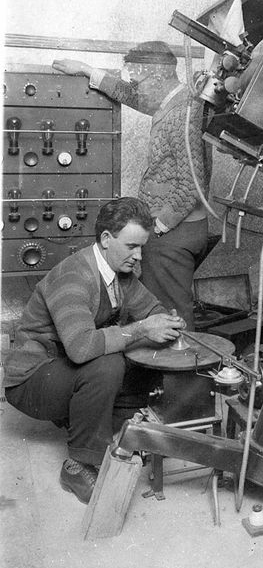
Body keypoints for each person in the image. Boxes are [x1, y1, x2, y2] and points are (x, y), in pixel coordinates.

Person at [4, 197, 186, 505]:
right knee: (108, 365)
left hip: (64, 370)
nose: (138, 255)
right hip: (32, 379)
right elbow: (81, 348)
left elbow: (149, 308)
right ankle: (78, 465)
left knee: (140, 361)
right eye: (131, 246)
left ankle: (103, 417)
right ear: (105, 239)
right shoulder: (73, 276)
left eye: (142, 247)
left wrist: (166, 321)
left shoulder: (120, 273)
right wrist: (142, 329)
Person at [53, 41, 212, 329]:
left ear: (160, 76)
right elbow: (133, 96)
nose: (136, 88)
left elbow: (192, 185)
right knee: (161, 309)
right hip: (176, 230)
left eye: (139, 80)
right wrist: (88, 70)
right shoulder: (172, 102)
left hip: (173, 233)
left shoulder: (183, 113)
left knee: (170, 314)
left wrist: (157, 228)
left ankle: (179, 371)